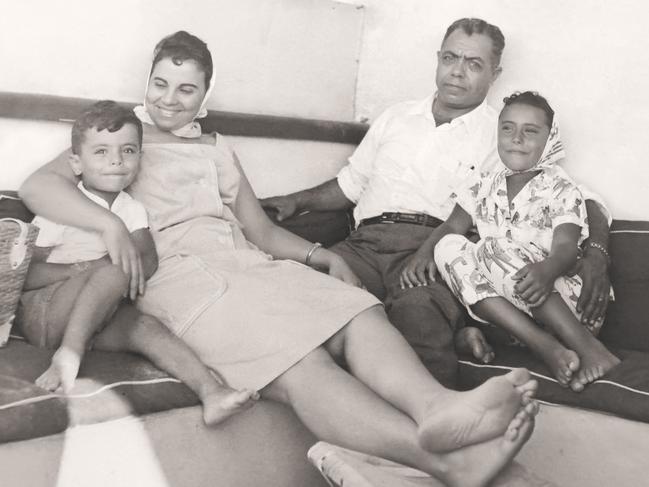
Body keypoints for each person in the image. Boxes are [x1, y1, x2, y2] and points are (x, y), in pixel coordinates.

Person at [20, 31, 540, 486]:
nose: (170, 100)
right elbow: (38, 186)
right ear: (147, 82)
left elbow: (262, 231)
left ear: (205, 94)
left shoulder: (217, 147)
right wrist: (110, 224)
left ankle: (438, 408)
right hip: (176, 275)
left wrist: (318, 256)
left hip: (243, 262)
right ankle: (448, 466)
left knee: (356, 309)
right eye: (160, 84)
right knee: (299, 360)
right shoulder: (121, 138)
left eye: (186, 89)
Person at [261, 18, 613, 387]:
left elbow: (579, 198)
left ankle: (428, 430)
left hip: (432, 254)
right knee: (298, 291)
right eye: (450, 58)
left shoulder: (504, 132)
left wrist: (597, 254)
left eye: (473, 64)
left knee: (419, 316)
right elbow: (350, 186)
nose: (457, 72)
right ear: (438, 59)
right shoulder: (396, 117)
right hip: (363, 245)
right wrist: (293, 200)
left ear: (496, 74)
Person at [19, 100, 259, 424]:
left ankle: (211, 393)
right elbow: (25, 276)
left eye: (128, 151)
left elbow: (146, 261)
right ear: (76, 162)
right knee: (116, 268)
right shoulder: (65, 207)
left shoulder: (131, 209)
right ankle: (69, 355)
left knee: (146, 326)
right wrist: (86, 270)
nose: (116, 161)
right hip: (45, 313)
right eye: (101, 152)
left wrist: (116, 275)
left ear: (139, 158)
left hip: (96, 317)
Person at [415, 91, 620, 391]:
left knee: (490, 248)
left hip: (570, 303)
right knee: (448, 246)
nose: (517, 138)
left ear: (550, 139)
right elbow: (451, 226)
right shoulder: (482, 184)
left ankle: (588, 348)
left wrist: (547, 270)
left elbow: (565, 247)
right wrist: (422, 253)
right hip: (517, 313)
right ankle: (544, 346)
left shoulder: (560, 186)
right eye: (508, 128)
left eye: (531, 131)